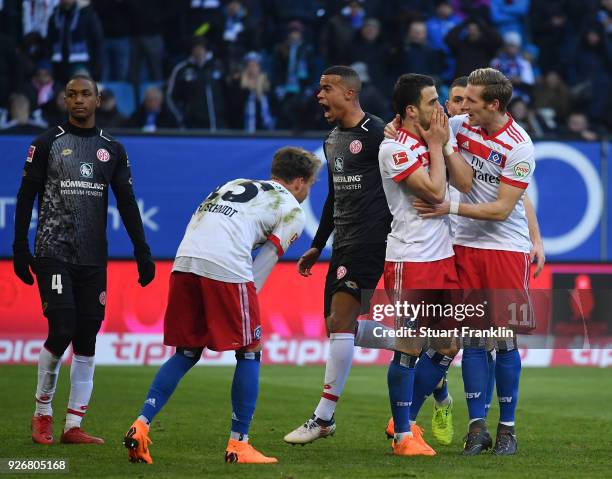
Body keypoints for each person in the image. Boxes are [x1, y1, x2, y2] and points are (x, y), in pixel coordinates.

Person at [123, 147, 320, 464]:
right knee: (250, 349)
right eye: (309, 185)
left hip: (184, 260)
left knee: (186, 351)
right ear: (299, 182)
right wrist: (247, 306)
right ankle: (239, 444)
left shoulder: (234, 182)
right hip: (226, 264)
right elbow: (265, 261)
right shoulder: (291, 208)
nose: (307, 192)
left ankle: (141, 425)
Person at [13, 74, 155, 445]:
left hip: (93, 257)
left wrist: (142, 251)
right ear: (64, 100)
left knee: (88, 334)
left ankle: (73, 425)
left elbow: (126, 202)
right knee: (62, 328)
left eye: (85, 94)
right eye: (72, 94)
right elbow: (26, 195)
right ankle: (42, 413)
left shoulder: (113, 149)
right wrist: (19, 247)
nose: (78, 100)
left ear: (97, 99)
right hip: (53, 250)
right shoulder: (46, 143)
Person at [413, 68, 536, 456]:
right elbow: (413, 128)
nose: (464, 106)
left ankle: (508, 431)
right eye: (461, 99)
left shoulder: (520, 146)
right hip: (463, 245)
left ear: (494, 104)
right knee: (473, 340)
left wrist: (448, 206)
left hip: (504, 248)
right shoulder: (460, 125)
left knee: (503, 339)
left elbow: (502, 209)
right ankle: (477, 428)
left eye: (472, 100)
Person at [283, 65, 392, 445]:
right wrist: (318, 241)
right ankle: (414, 346)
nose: (319, 95)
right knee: (335, 324)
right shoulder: (332, 139)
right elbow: (333, 195)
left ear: (349, 93)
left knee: (341, 322)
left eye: (326, 88)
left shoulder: (378, 132)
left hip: (373, 240)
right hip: (342, 242)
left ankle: (323, 416)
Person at [378, 73, 459, 456]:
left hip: (443, 258)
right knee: (407, 347)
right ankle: (403, 437)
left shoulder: (422, 141)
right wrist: (437, 145)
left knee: (448, 343)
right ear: (411, 110)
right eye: (432, 102)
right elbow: (436, 191)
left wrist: (437, 144)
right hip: (410, 260)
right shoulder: (394, 149)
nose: (439, 108)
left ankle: (403, 421)